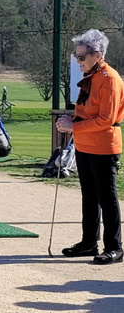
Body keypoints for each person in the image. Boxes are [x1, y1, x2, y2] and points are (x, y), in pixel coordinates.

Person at [56, 29, 124, 265]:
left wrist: (73, 127)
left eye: (81, 57)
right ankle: (88, 242)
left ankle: (115, 247)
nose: (78, 61)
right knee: (89, 196)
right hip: (85, 145)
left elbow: (106, 118)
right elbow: (85, 112)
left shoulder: (110, 79)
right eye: (77, 57)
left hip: (104, 146)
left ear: (97, 54)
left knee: (107, 197)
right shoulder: (91, 77)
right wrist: (70, 123)